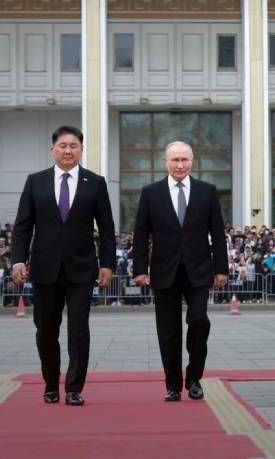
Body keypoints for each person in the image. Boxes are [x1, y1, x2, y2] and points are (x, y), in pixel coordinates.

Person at [11, 125, 117, 406]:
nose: (68, 151)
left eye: (74, 146)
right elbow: (22, 226)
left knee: (79, 329)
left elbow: (107, 229)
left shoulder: (95, 183)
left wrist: (107, 264)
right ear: (52, 149)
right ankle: (50, 382)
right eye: (63, 146)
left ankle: (73, 387)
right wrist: (18, 260)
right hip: (45, 268)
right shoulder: (36, 182)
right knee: (46, 329)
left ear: (81, 150)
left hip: (82, 268)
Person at [132, 141, 229, 402]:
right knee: (168, 330)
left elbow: (218, 234)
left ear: (192, 161)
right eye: (175, 160)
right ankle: (173, 384)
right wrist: (140, 268)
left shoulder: (206, 191)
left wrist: (222, 268)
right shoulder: (151, 193)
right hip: (164, 271)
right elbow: (141, 234)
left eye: (184, 160)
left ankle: (194, 377)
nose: (180, 165)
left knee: (199, 320)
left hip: (199, 270)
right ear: (165, 162)